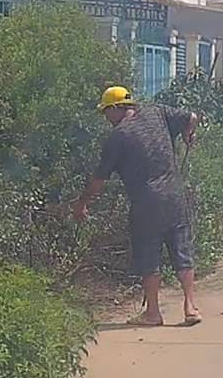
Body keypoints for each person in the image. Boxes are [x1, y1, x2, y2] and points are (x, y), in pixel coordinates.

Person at [72, 86, 201, 327]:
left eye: (106, 112)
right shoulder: (157, 112)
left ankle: (153, 313)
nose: (106, 118)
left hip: (145, 203)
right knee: (182, 251)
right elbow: (191, 117)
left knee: (149, 257)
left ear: (116, 108)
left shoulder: (118, 137)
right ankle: (190, 307)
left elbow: (99, 179)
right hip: (175, 197)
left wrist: (82, 204)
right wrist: (187, 134)